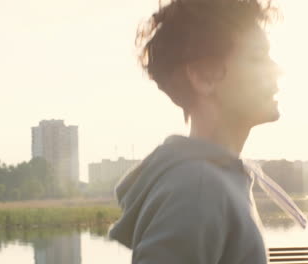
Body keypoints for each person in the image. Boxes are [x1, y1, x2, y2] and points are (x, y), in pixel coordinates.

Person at [109, 0, 281, 263]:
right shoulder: (198, 188)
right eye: (258, 58)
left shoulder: (215, 181)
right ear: (203, 76)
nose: (277, 70)